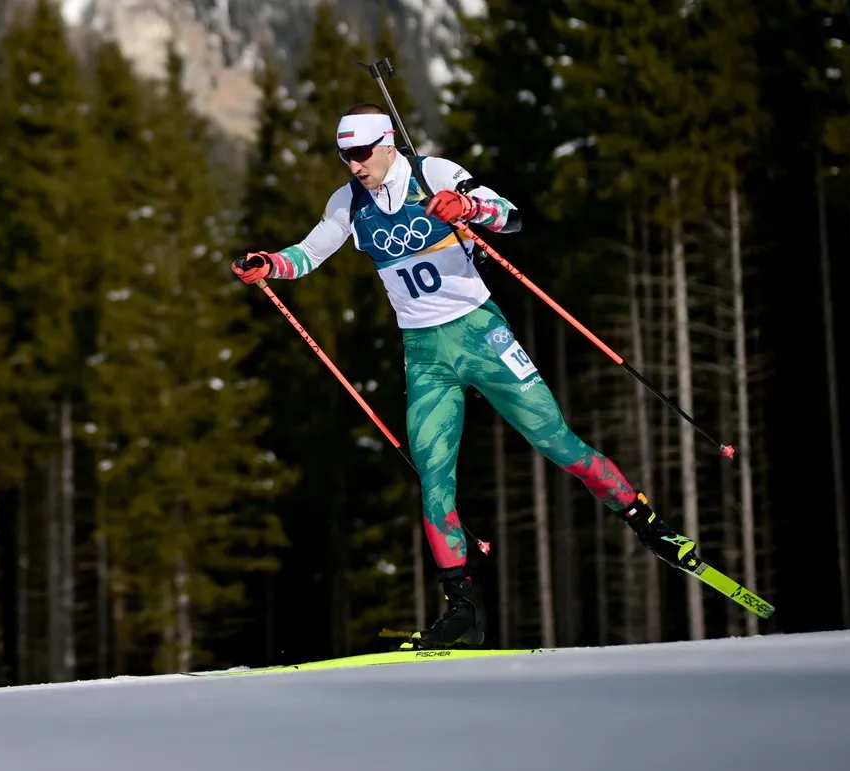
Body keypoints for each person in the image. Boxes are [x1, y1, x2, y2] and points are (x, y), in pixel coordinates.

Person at [231, 103, 695, 649]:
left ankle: (647, 523)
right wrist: (270, 264)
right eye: (344, 155)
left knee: (558, 443)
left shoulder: (434, 173)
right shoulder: (348, 201)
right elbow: (309, 253)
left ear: (387, 143)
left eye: (361, 153)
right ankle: (462, 612)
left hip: (482, 336)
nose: (354, 165)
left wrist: (468, 207)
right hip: (424, 353)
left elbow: (510, 215)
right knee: (434, 477)